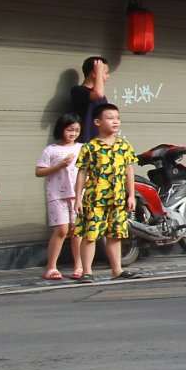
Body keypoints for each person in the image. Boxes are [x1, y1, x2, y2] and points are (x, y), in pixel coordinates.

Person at [74, 104, 139, 280]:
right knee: (90, 235)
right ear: (97, 122)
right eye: (110, 118)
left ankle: (117, 271)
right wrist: (78, 198)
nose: (115, 121)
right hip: (94, 199)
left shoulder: (124, 145)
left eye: (117, 118)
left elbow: (129, 170)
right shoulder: (90, 147)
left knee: (116, 235)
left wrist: (131, 195)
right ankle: (86, 272)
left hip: (118, 198)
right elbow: (82, 172)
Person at [37, 114, 85, 281]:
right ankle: (51, 267)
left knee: (77, 230)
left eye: (77, 130)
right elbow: (39, 171)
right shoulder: (51, 150)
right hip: (57, 193)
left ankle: (80, 266)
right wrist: (59, 166)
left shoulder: (82, 148)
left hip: (78, 194)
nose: (73, 133)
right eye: (69, 129)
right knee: (62, 230)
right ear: (61, 129)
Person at [68, 56, 115, 136]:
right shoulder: (78, 90)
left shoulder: (101, 95)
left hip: (100, 142)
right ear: (94, 73)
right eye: (106, 73)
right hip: (85, 142)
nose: (108, 76)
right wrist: (98, 72)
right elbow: (98, 94)